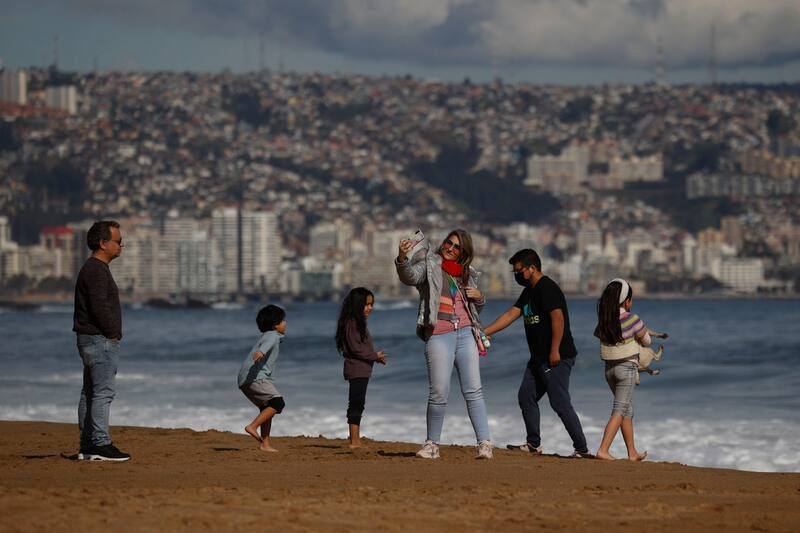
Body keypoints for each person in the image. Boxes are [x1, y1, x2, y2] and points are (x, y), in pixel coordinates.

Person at [483, 249, 591, 458]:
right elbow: (510, 315)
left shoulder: (547, 288)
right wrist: (483, 331)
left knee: (559, 402)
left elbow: (558, 319)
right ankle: (533, 444)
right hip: (538, 358)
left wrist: (554, 350)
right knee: (526, 396)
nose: (516, 275)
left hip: (557, 355)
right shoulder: (529, 291)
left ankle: (582, 449)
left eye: (518, 271)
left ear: (532, 268)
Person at [396, 229, 493, 460]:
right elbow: (409, 276)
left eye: (456, 247)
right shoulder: (430, 265)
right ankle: (432, 445)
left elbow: (474, 309)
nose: (450, 248)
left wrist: (480, 297)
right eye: (449, 243)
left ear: (463, 252)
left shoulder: (467, 274)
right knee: (438, 392)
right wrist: (402, 258)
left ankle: (485, 444)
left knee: (474, 391)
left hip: (467, 333)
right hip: (439, 333)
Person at [73, 220, 130, 461]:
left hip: (91, 338)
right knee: (103, 393)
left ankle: (88, 443)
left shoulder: (93, 268)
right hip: (98, 339)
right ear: (102, 243)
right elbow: (99, 307)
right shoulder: (96, 269)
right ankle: (99, 443)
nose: (121, 245)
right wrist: (112, 331)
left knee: (90, 392)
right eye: (117, 241)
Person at [594, 279, 649, 461]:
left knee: (626, 408)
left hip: (609, 369)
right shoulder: (632, 319)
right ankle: (603, 449)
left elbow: (600, 336)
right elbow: (646, 340)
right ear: (627, 301)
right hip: (627, 368)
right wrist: (639, 338)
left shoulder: (604, 320)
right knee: (620, 409)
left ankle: (632, 453)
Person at [335, 287, 386, 449]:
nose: (370, 308)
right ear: (357, 305)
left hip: (362, 369)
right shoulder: (351, 323)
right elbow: (355, 349)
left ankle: (355, 439)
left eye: (371, 304)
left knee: (359, 403)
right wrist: (374, 356)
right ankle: (354, 441)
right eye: (366, 304)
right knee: (356, 403)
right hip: (356, 370)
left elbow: (360, 349)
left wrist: (375, 358)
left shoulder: (357, 323)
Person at [238, 305, 287, 453]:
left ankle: (265, 444)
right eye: (283, 321)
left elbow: (268, 343)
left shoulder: (267, 335)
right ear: (275, 325)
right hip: (256, 378)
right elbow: (267, 345)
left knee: (267, 409)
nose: (286, 323)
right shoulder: (272, 335)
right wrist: (261, 352)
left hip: (246, 379)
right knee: (278, 402)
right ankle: (252, 427)